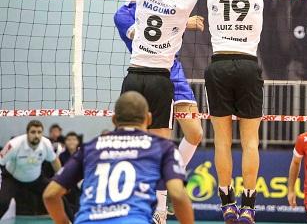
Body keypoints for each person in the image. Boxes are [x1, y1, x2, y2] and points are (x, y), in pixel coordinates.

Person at [119, 0, 207, 224]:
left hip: (133, 76)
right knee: (159, 146)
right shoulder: (182, 5)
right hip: (159, 78)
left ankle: (137, 201)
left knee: (129, 140)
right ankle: (157, 205)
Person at [202, 0, 272, 223]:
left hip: (218, 65)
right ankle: (249, 204)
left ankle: (226, 201)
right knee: (250, 141)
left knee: (221, 140)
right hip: (247, 64)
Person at [43, 91, 194, 224]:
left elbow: (50, 195)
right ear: (148, 119)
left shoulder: (90, 147)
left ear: (114, 119)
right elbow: (178, 195)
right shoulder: (162, 147)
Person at [0, 120, 68, 219]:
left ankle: (73, 221)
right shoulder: (13, 145)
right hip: (13, 179)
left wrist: (62, 179)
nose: (36, 135)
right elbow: (1, 161)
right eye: (33, 132)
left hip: (36, 179)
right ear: (27, 133)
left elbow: (54, 161)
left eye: (39, 132)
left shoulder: (46, 143)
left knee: (57, 195)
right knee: (3, 203)